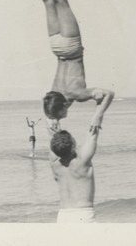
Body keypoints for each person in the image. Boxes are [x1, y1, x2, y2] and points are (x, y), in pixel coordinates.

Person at [30, 0, 114, 125]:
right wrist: (54, 122)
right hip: (56, 47)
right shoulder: (52, 93)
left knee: (61, 0)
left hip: (71, 47)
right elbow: (50, 111)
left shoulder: (76, 95)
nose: (61, 117)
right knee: (48, 2)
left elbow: (109, 93)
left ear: (62, 107)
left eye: (60, 115)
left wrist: (98, 116)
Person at [47, 84, 114, 223]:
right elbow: (108, 94)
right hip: (84, 215)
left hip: (63, 216)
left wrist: (61, 108)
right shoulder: (83, 159)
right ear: (73, 146)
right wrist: (98, 115)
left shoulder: (54, 162)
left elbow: (52, 126)